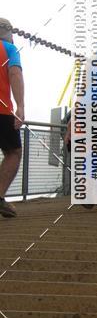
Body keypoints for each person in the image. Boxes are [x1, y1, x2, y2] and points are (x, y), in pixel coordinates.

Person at [0, 19, 24, 218]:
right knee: (13, 152)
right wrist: (21, 106)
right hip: (2, 110)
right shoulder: (8, 48)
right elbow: (14, 73)